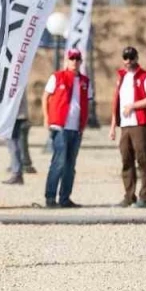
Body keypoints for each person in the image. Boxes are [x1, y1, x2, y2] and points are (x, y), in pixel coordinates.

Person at [109, 46, 146, 207]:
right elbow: (116, 103)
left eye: (131, 57)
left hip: (140, 124)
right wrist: (113, 126)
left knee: (142, 160)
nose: (128, 61)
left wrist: (133, 106)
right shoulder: (121, 78)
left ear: (136, 58)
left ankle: (145, 196)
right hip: (125, 125)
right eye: (126, 57)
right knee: (126, 159)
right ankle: (129, 195)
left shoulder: (145, 77)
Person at [43, 49, 90, 207]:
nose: (74, 61)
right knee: (59, 162)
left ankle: (65, 198)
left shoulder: (85, 81)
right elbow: (46, 97)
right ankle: (50, 197)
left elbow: (87, 101)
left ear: (81, 61)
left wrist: (84, 123)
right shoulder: (57, 77)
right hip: (60, 126)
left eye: (77, 59)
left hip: (76, 128)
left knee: (70, 165)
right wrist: (46, 118)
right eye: (72, 58)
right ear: (67, 60)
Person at [2, 106, 28, 186]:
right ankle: (17, 171)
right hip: (18, 115)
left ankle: (17, 173)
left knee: (12, 144)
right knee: (15, 143)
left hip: (14, 116)